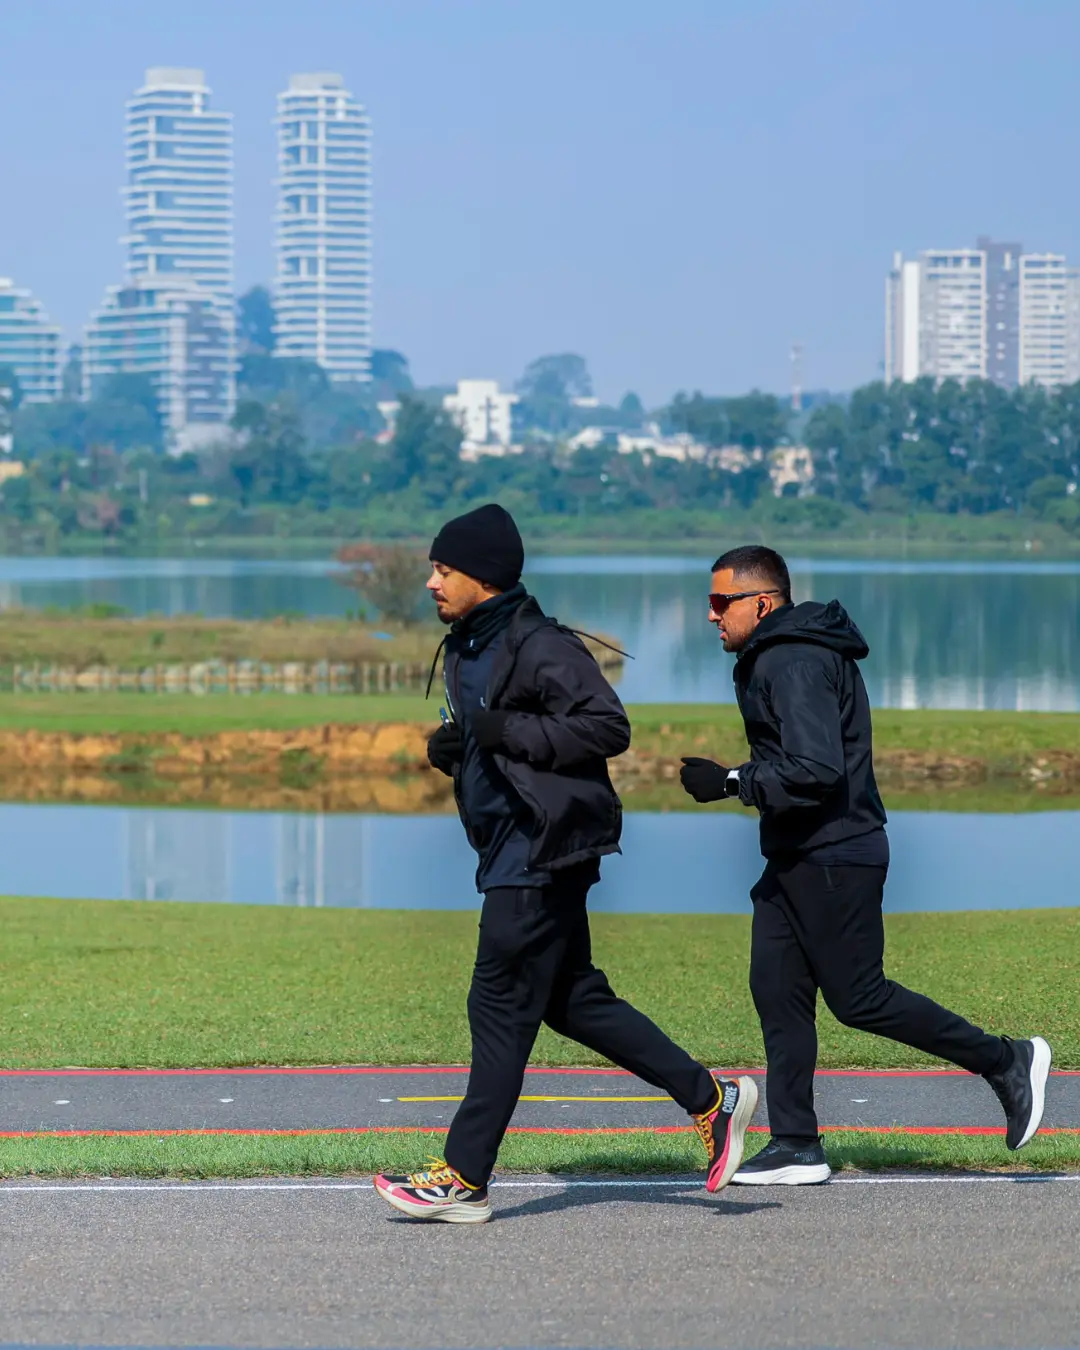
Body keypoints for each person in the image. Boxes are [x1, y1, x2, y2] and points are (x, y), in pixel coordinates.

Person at [374, 503, 757, 1223]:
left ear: (481, 576)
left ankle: (462, 1177)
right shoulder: (466, 644)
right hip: (509, 848)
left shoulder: (540, 644)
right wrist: (459, 750)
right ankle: (713, 1098)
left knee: (497, 1004)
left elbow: (608, 727)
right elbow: (496, 733)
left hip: (543, 851)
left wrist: (506, 730)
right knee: (571, 1000)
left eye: (443, 569)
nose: (430, 581)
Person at [679, 544, 1052, 1186]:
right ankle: (796, 1143)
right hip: (798, 855)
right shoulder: (785, 653)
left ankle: (1006, 1060)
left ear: (761, 602)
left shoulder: (790, 659)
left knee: (860, 998)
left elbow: (818, 769)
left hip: (835, 854)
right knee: (777, 988)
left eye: (721, 603)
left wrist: (734, 780)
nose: (712, 616)